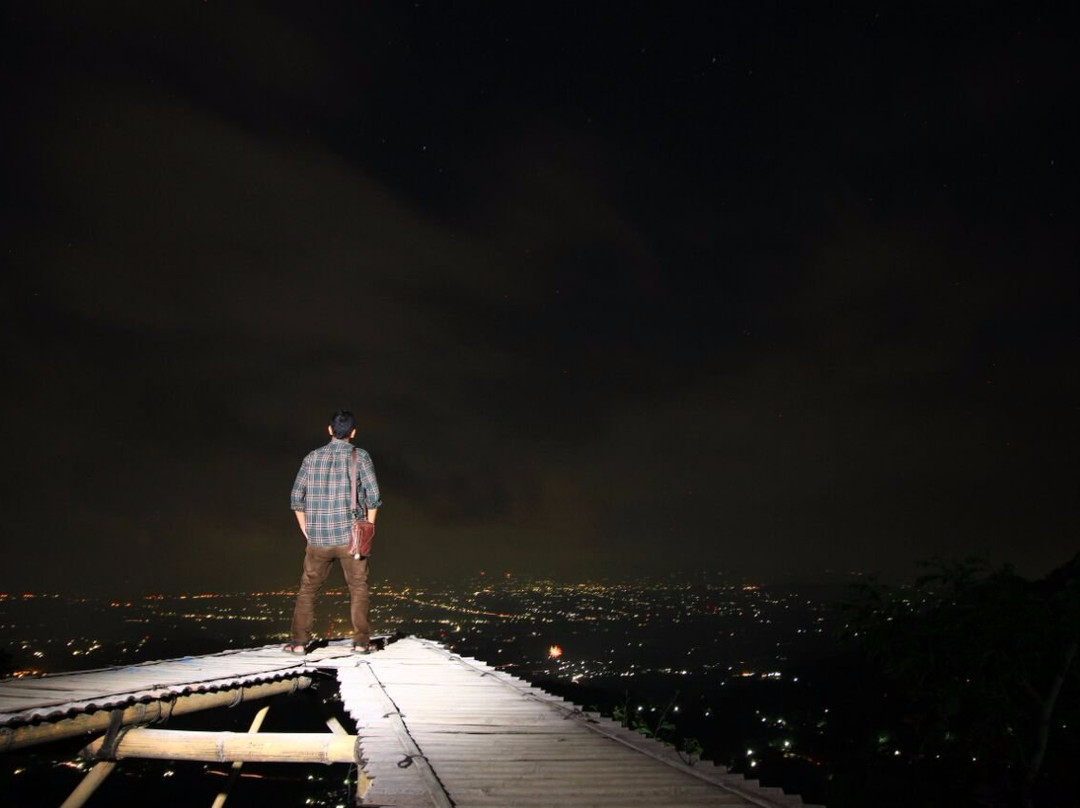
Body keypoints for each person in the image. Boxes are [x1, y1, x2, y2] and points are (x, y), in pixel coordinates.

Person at [284, 410, 381, 655]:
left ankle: (298, 643)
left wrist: (306, 529)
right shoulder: (361, 456)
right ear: (353, 432)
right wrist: (367, 529)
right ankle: (361, 643)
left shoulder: (311, 458)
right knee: (358, 588)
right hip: (352, 538)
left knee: (308, 589)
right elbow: (373, 498)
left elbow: (296, 498)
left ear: (329, 430)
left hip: (318, 539)